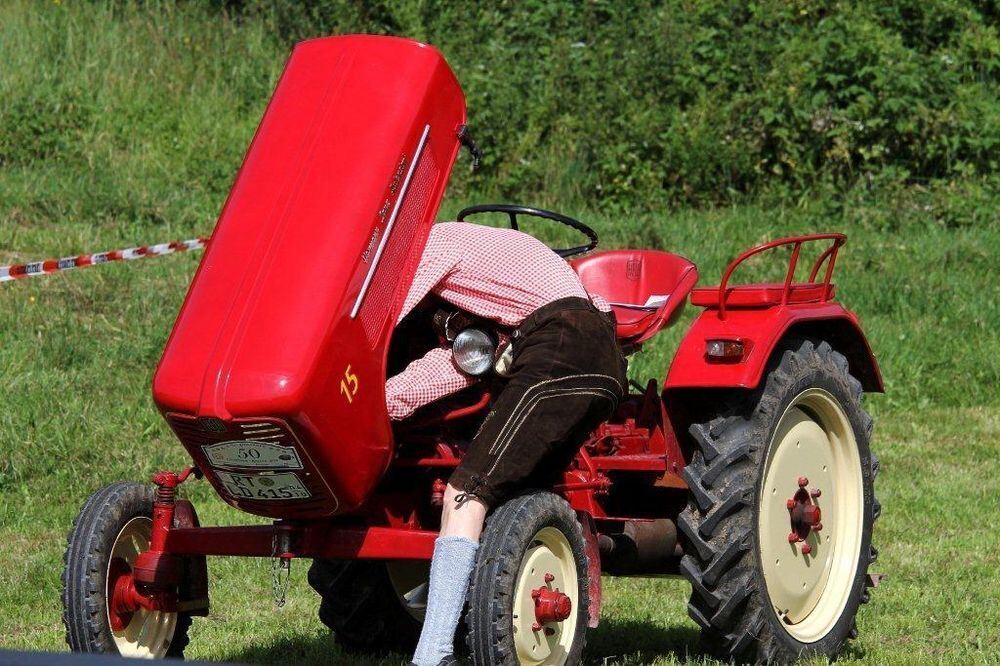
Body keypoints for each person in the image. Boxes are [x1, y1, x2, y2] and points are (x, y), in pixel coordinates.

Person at [386, 221, 627, 666]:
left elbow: (381, 320)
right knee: (503, 492)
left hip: (562, 344)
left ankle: (433, 653)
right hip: (596, 351)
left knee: (467, 491)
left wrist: (364, 397)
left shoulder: (431, 248)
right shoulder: (480, 252)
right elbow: (459, 359)